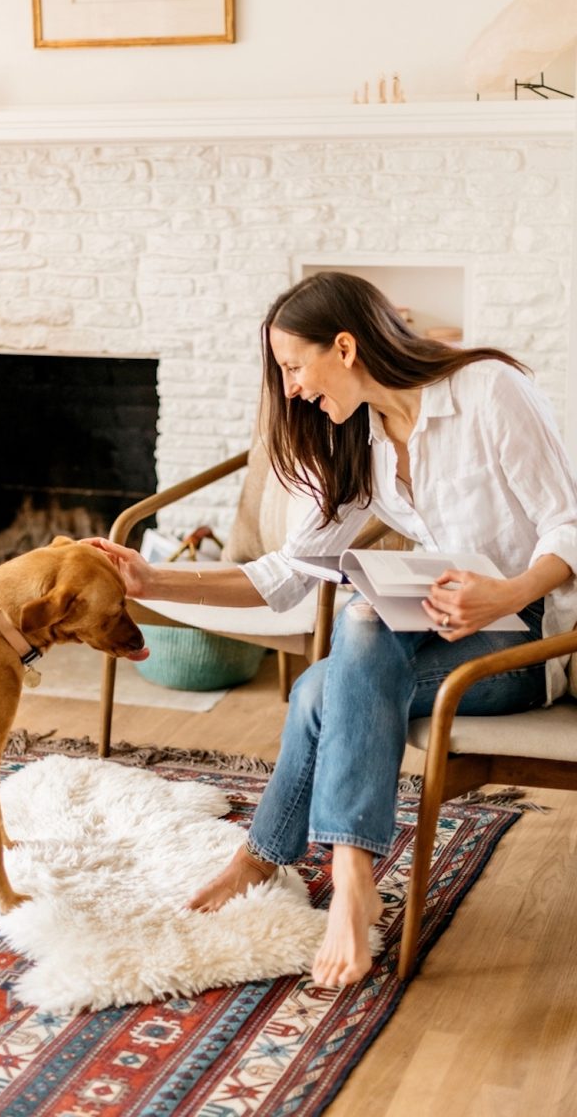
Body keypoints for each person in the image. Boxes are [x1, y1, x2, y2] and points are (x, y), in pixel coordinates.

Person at [86, 271, 577, 988]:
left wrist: (507, 590)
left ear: (344, 346)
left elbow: (568, 522)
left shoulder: (487, 391)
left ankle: (299, 867)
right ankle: (345, 874)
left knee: (326, 685)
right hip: (444, 632)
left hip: (534, 641)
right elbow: (286, 572)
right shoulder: (366, 443)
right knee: (364, 616)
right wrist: (153, 580)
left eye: (293, 367)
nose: (289, 390)